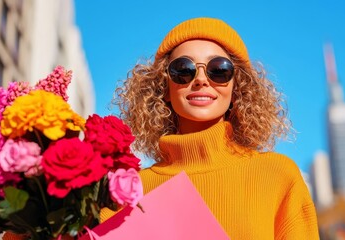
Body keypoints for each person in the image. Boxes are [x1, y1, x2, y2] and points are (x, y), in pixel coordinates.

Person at [106, 17, 319, 239]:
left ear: (237, 88)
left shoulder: (277, 176)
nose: (200, 79)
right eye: (183, 69)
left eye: (218, 70)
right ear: (164, 88)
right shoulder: (133, 190)